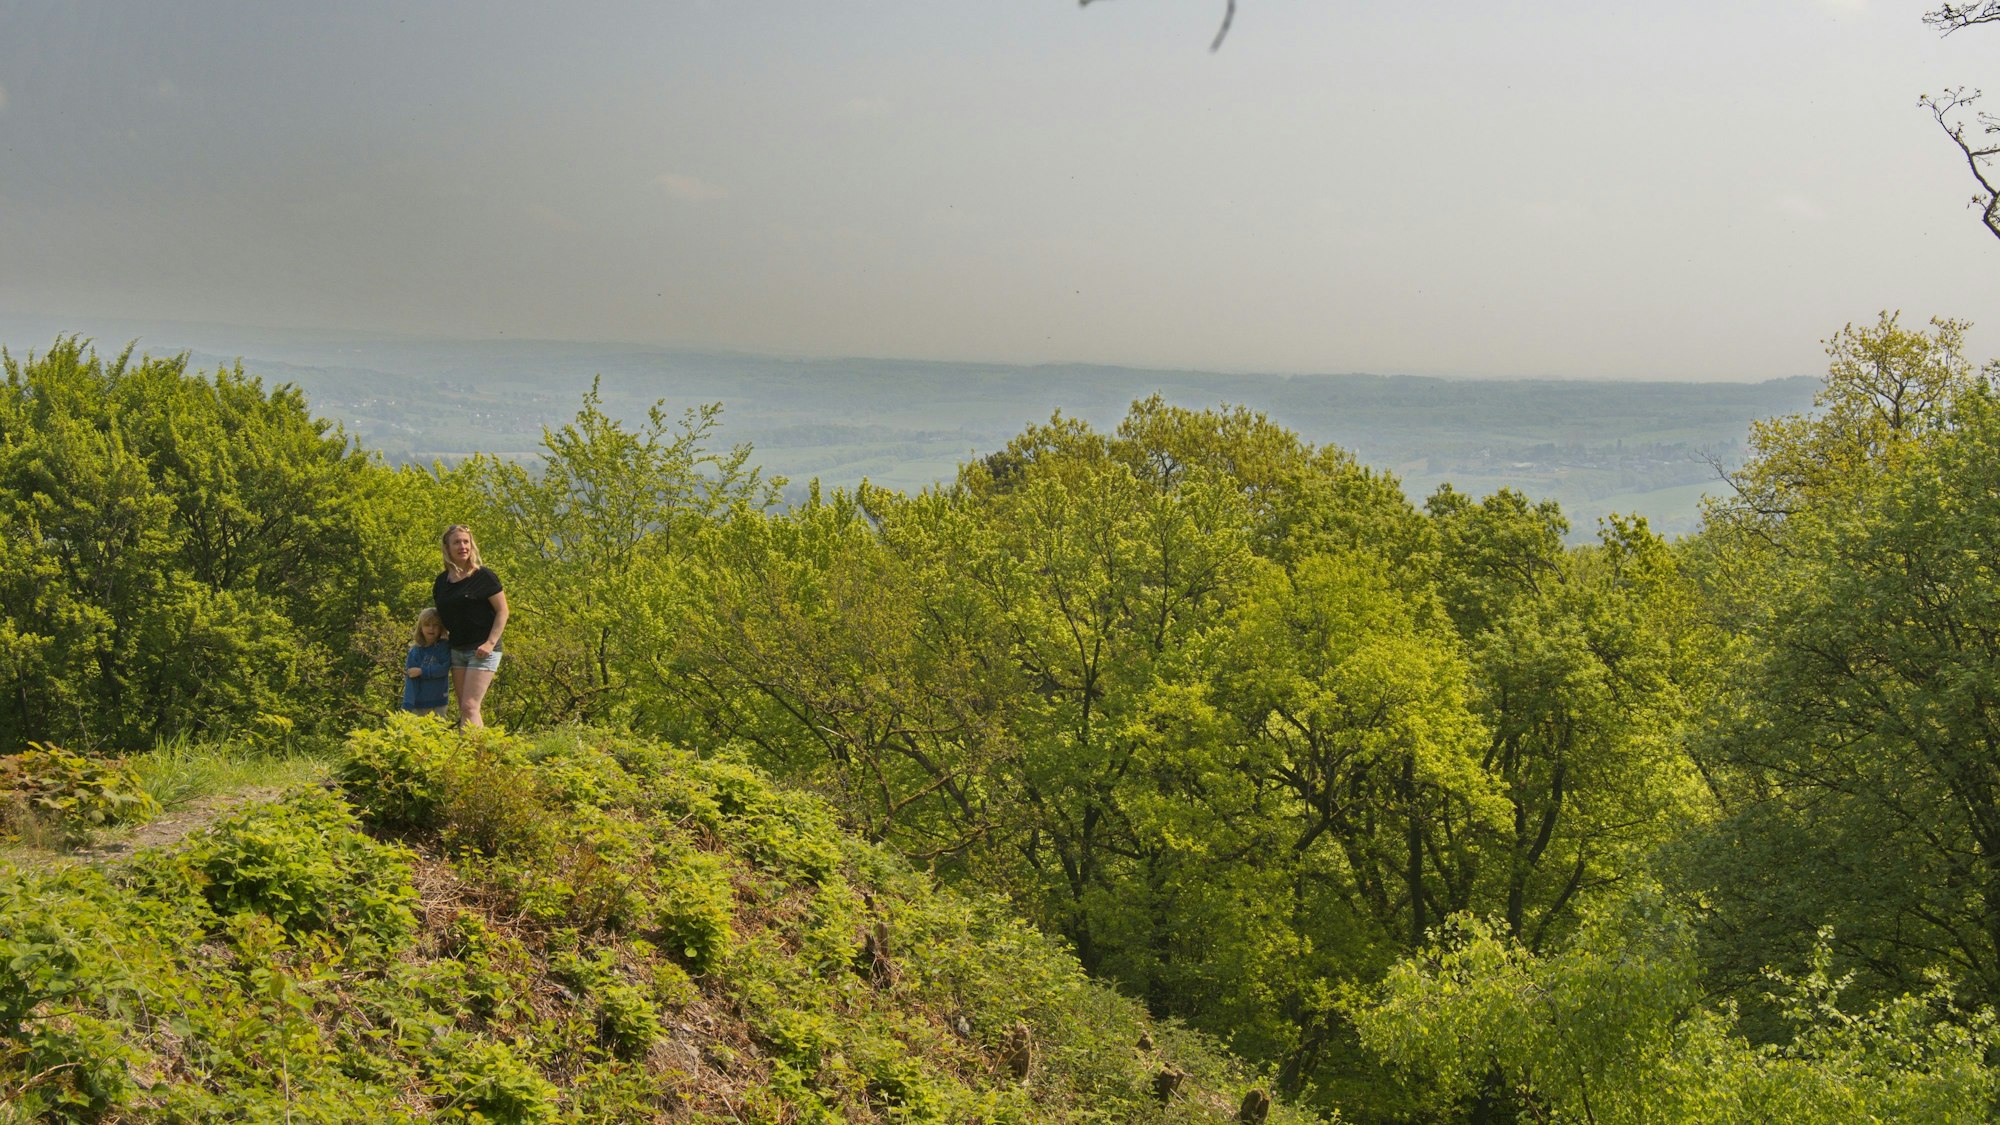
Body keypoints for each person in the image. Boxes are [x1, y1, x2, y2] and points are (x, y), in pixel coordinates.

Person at [433, 524, 509, 728]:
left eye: (466, 541)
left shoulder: (484, 576)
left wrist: (491, 643)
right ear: (447, 548)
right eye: (456, 542)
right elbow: (443, 615)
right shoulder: (441, 582)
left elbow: (503, 611)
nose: (462, 546)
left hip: (483, 649)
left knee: (469, 705)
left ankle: (476, 758)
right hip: (457, 649)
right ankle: (474, 755)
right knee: (465, 708)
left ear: (472, 545)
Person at [401, 607, 452, 718]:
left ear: (441, 628)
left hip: (439, 702)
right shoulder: (415, 651)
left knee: (438, 732)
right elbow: (411, 680)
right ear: (420, 628)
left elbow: (444, 669)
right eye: (427, 625)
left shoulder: (444, 647)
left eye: (435, 625)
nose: (431, 628)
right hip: (418, 704)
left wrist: (422, 671)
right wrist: (407, 705)